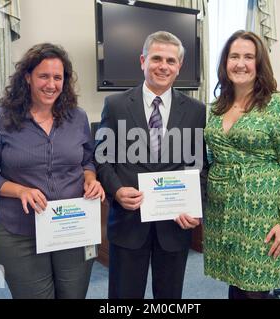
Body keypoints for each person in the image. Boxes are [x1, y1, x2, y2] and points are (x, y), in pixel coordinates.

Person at [0, 43, 105, 299]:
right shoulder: (1, 118)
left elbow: (88, 160)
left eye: (58, 77)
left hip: (72, 227)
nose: (51, 84)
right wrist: (20, 190)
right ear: (27, 77)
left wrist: (91, 179)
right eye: (44, 76)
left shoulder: (77, 117)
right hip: (21, 234)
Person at [94, 31, 208, 299]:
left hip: (174, 225)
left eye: (171, 61)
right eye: (157, 58)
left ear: (179, 67)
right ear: (143, 61)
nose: (163, 66)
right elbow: (102, 158)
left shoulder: (196, 110)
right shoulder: (116, 105)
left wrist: (195, 207)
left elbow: (199, 166)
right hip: (128, 223)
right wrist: (117, 190)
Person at [203, 30, 280, 299]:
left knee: (255, 289)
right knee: (236, 282)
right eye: (234, 56)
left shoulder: (278, 106)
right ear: (225, 63)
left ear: (259, 63)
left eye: (249, 57)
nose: (240, 63)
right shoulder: (217, 106)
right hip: (224, 211)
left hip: (261, 213)